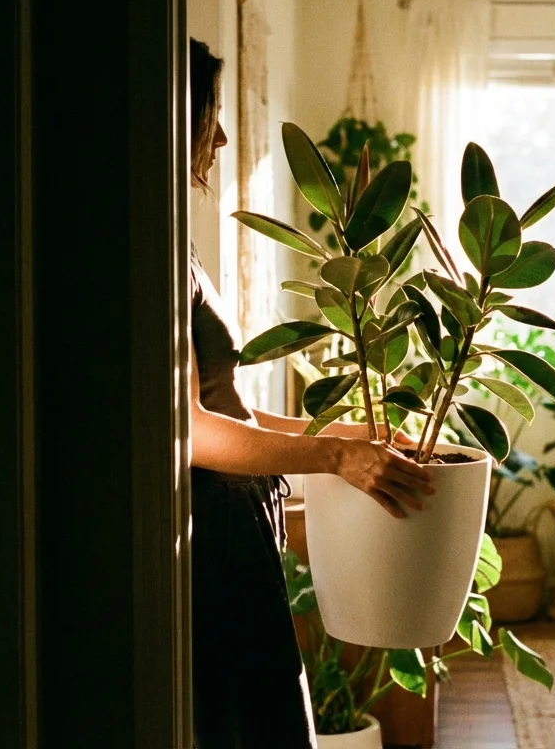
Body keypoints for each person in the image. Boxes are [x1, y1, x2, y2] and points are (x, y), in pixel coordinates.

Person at [185, 38, 435, 749]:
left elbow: (220, 403)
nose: (224, 136)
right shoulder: (154, 252)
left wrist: (340, 432)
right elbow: (191, 432)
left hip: (239, 526)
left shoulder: (180, 244)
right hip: (215, 541)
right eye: (212, 115)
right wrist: (329, 458)